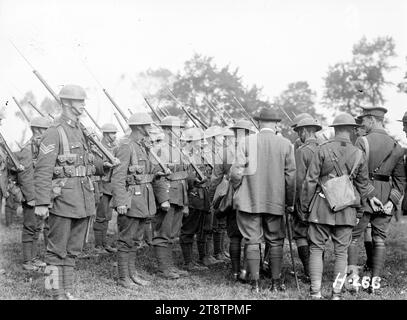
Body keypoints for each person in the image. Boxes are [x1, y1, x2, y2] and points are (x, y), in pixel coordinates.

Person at [33, 84, 108, 300]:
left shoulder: (81, 130)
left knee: (73, 249)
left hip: (83, 198)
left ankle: (66, 290)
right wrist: (41, 203)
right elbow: (43, 169)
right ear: (66, 103)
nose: (83, 104)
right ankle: (53, 292)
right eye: (80, 101)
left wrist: (105, 165)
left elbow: (88, 162)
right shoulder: (54, 132)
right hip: (63, 200)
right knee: (56, 249)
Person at [301, 113, 381, 300]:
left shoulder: (322, 150)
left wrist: (305, 207)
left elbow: (310, 181)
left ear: (334, 129)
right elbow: (362, 184)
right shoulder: (358, 154)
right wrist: (367, 203)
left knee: (316, 249)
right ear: (353, 130)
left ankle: (315, 293)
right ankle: (336, 294)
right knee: (341, 252)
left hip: (321, 207)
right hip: (346, 209)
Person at [230, 107, 296, 293]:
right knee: (275, 241)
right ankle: (275, 283)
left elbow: (236, 172)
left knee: (252, 240)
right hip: (276, 201)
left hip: (249, 200)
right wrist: (289, 202)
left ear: (258, 123)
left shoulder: (246, 142)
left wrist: (238, 188)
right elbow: (291, 178)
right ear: (276, 124)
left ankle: (255, 284)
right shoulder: (286, 144)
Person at [347, 106, 405, 294]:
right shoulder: (396, 146)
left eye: (364, 120)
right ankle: (374, 283)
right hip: (386, 196)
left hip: (364, 197)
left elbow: (357, 172)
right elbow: (400, 179)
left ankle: (353, 282)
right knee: (379, 240)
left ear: (372, 120)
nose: (362, 124)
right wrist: (392, 201)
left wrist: (369, 195)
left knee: (353, 239)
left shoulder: (362, 141)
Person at [111, 112, 170, 288]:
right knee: (126, 239)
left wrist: (157, 172)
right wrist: (121, 202)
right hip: (131, 199)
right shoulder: (126, 146)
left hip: (143, 198)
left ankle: (132, 274)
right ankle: (124, 278)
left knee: (135, 239)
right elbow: (118, 176)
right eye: (147, 125)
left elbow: (147, 170)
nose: (150, 129)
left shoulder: (141, 146)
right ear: (138, 127)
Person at [153, 116, 190, 277]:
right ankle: (163, 268)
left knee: (173, 233)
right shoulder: (160, 150)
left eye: (181, 128)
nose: (180, 131)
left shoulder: (177, 148)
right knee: (164, 232)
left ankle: (169, 266)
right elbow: (156, 176)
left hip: (179, 195)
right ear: (167, 130)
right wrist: (163, 199)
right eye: (177, 128)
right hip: (168, 194)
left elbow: (182, 176)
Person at [16, 116, 51, 271]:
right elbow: (25, 177)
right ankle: (27, 261)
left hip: (39, 196)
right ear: (37, 130)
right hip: (32, 197)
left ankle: (33, 258)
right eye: (45, 130)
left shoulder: (39, 147)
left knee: (37, 228)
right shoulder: (27, 149)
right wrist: (31, 198)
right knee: (30, 227)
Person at [179, 127, 216, 270]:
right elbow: (184, 178)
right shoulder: (183, 157)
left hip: (204, 196)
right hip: (192, 196)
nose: (202, 143)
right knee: (189, 229)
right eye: (199, 140)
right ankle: (188, 262)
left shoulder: (200, 156)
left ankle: (203, 256)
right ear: (191, 141)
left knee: (204, 228)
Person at [292, 117, 322, 281]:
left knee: (300, 234)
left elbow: (299, 181)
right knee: (317, 236)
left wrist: (294, 203)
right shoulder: (324, 148)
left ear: (304, 131)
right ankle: (317, 272)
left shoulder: (302, 151)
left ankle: (309, 272)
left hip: (305, 199)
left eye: (299, 132)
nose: (299, 135)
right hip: (322, 201)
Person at [93, 123, 119, 255]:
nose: (115, 135)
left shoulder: (114, 147)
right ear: (106, 134)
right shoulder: (98, 147)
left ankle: (104, 243)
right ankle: (98, 245)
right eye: (112, 133)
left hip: (110, 184)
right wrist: (105, 165)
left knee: (107, 216)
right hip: (101, 183)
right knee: (101, 215)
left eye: (115, 133)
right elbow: (96, 163)